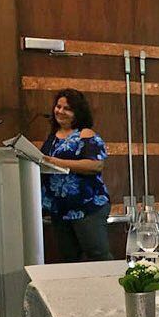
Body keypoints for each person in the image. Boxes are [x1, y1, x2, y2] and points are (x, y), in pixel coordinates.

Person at [39, 88, 112, 262]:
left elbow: (95, 165)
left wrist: (55, 161)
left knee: (98, 255)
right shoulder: (52, 138)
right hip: (59, 209)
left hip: (87, 206)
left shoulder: (85, 134)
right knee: (69, 260)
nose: (60, 111)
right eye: (58, 106)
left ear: (78, 112)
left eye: (67, 109)